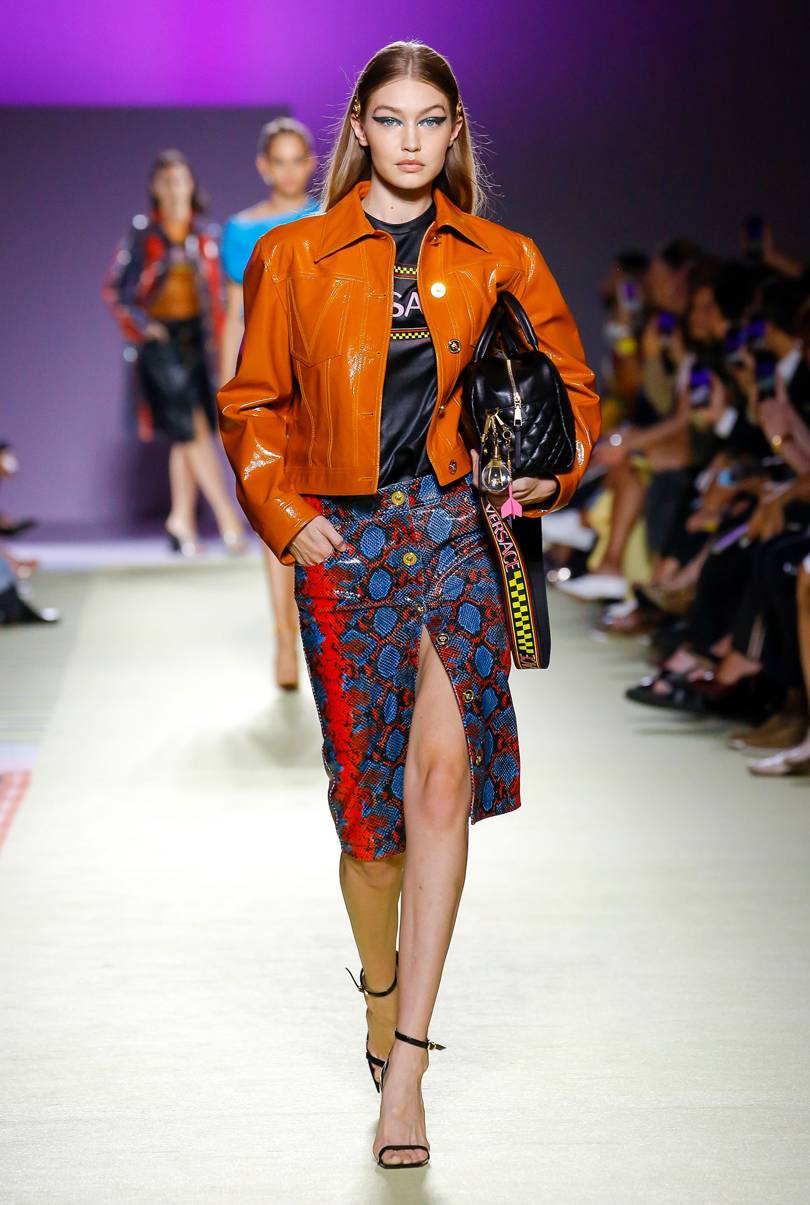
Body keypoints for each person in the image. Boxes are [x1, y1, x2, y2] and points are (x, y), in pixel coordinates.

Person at [217, 40, 599, 1169]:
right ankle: (380, 995)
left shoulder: (503, 257)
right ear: (360, 130)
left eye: (432, 120)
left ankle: (412, 1068)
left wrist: (546, 477)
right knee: (369, 827)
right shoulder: (291, 255)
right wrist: (286, 515)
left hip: (460, 532)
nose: (412, 140)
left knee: (440, 784)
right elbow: (252, 404)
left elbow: (573, 391)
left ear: (455, 132)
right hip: (346, 542)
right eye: (391, 119)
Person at [103, 149, 247, 556]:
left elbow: (220, 296)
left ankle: (181, 520)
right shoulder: (145, 234)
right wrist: (143, 327)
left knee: (189, 433)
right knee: (192, 429)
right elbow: (115, 288)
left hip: (197, 341)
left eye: (181, 179)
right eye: (166, 181)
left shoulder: (205, 237)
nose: (174, 188)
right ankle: (227, 518)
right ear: (155, 187)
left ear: (192, 185)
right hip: (161, 342)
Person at [220, 118, 320, 689]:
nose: (287, 171)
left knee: (320, 504)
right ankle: (284, 637)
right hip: (267, 379)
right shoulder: (241, 230)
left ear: (311, 162)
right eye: (277, 160)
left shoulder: (328, 217)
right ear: (264, 166)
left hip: (319, 377)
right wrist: (229, 385)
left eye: (296, 159)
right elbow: (235, 314)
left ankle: (314, 632)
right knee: (272, 505)